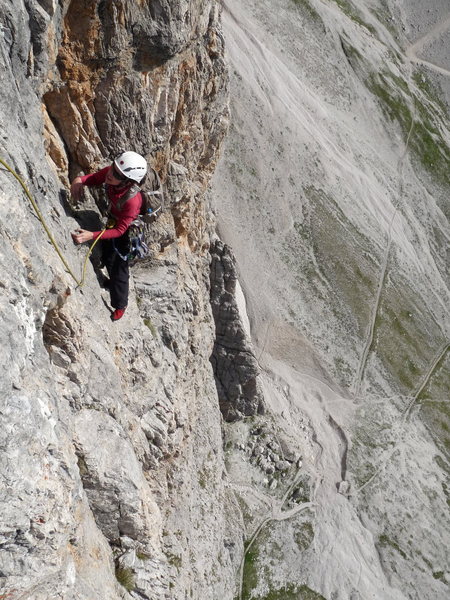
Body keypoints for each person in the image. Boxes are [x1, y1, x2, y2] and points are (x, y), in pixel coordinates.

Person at [71, 151, 147, 321]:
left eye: (117, 174)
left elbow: (121, 230)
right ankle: (109, 281)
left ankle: (120, 305)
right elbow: (95, 178)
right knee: (107, 254)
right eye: (113, 168)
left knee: (119, 268)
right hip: (114, 221)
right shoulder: (114, 172)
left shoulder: (132, 200)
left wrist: (91, 235)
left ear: (128, 181)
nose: (110, 174)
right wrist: (80, 181)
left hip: (127, 231)